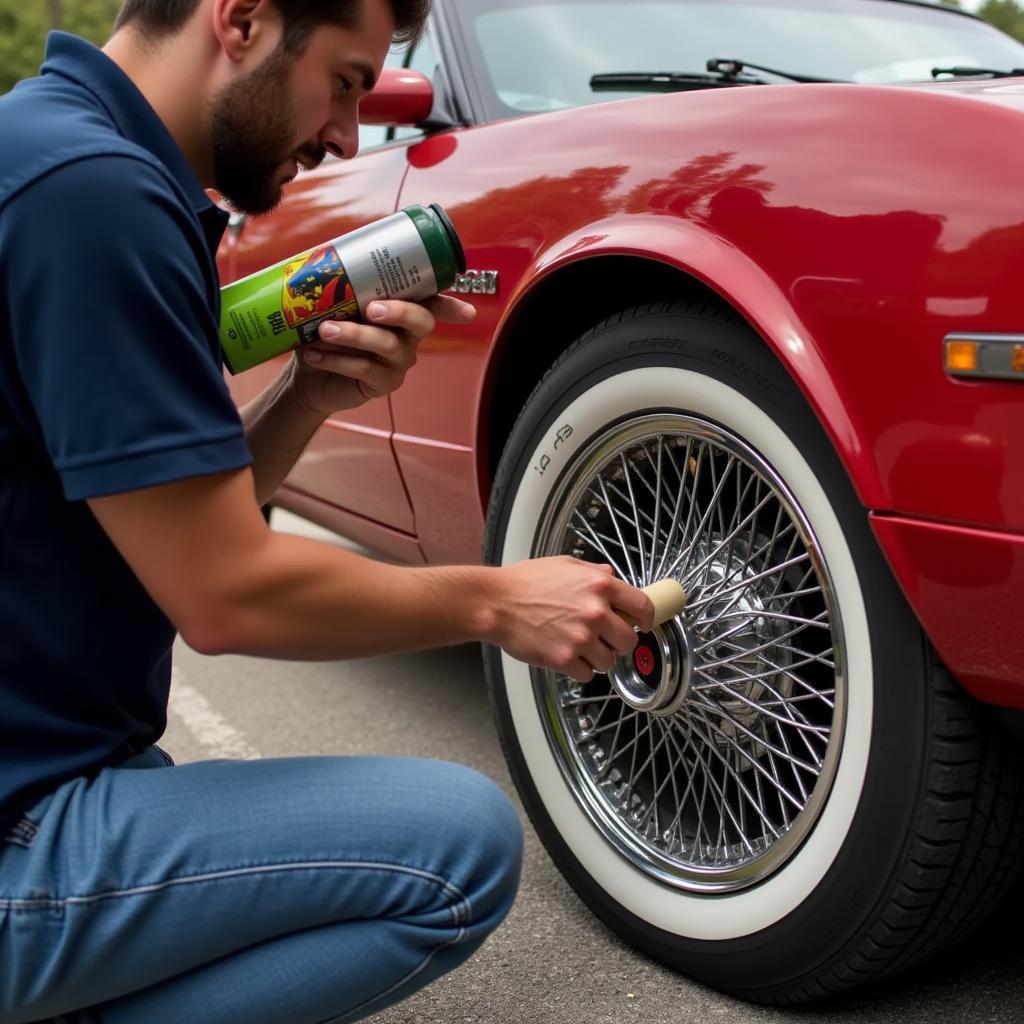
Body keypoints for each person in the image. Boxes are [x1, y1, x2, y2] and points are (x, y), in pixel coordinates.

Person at [0, 0, 654, 1020]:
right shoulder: (92, 197)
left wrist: (307, 397)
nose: (349, 133)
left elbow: (163, 537)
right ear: (244, 19)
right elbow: (223, 597)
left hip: (45, 759)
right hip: (19, 822)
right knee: (456, 848)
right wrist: (497, 601)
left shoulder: (54, 149)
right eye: (346, 82)